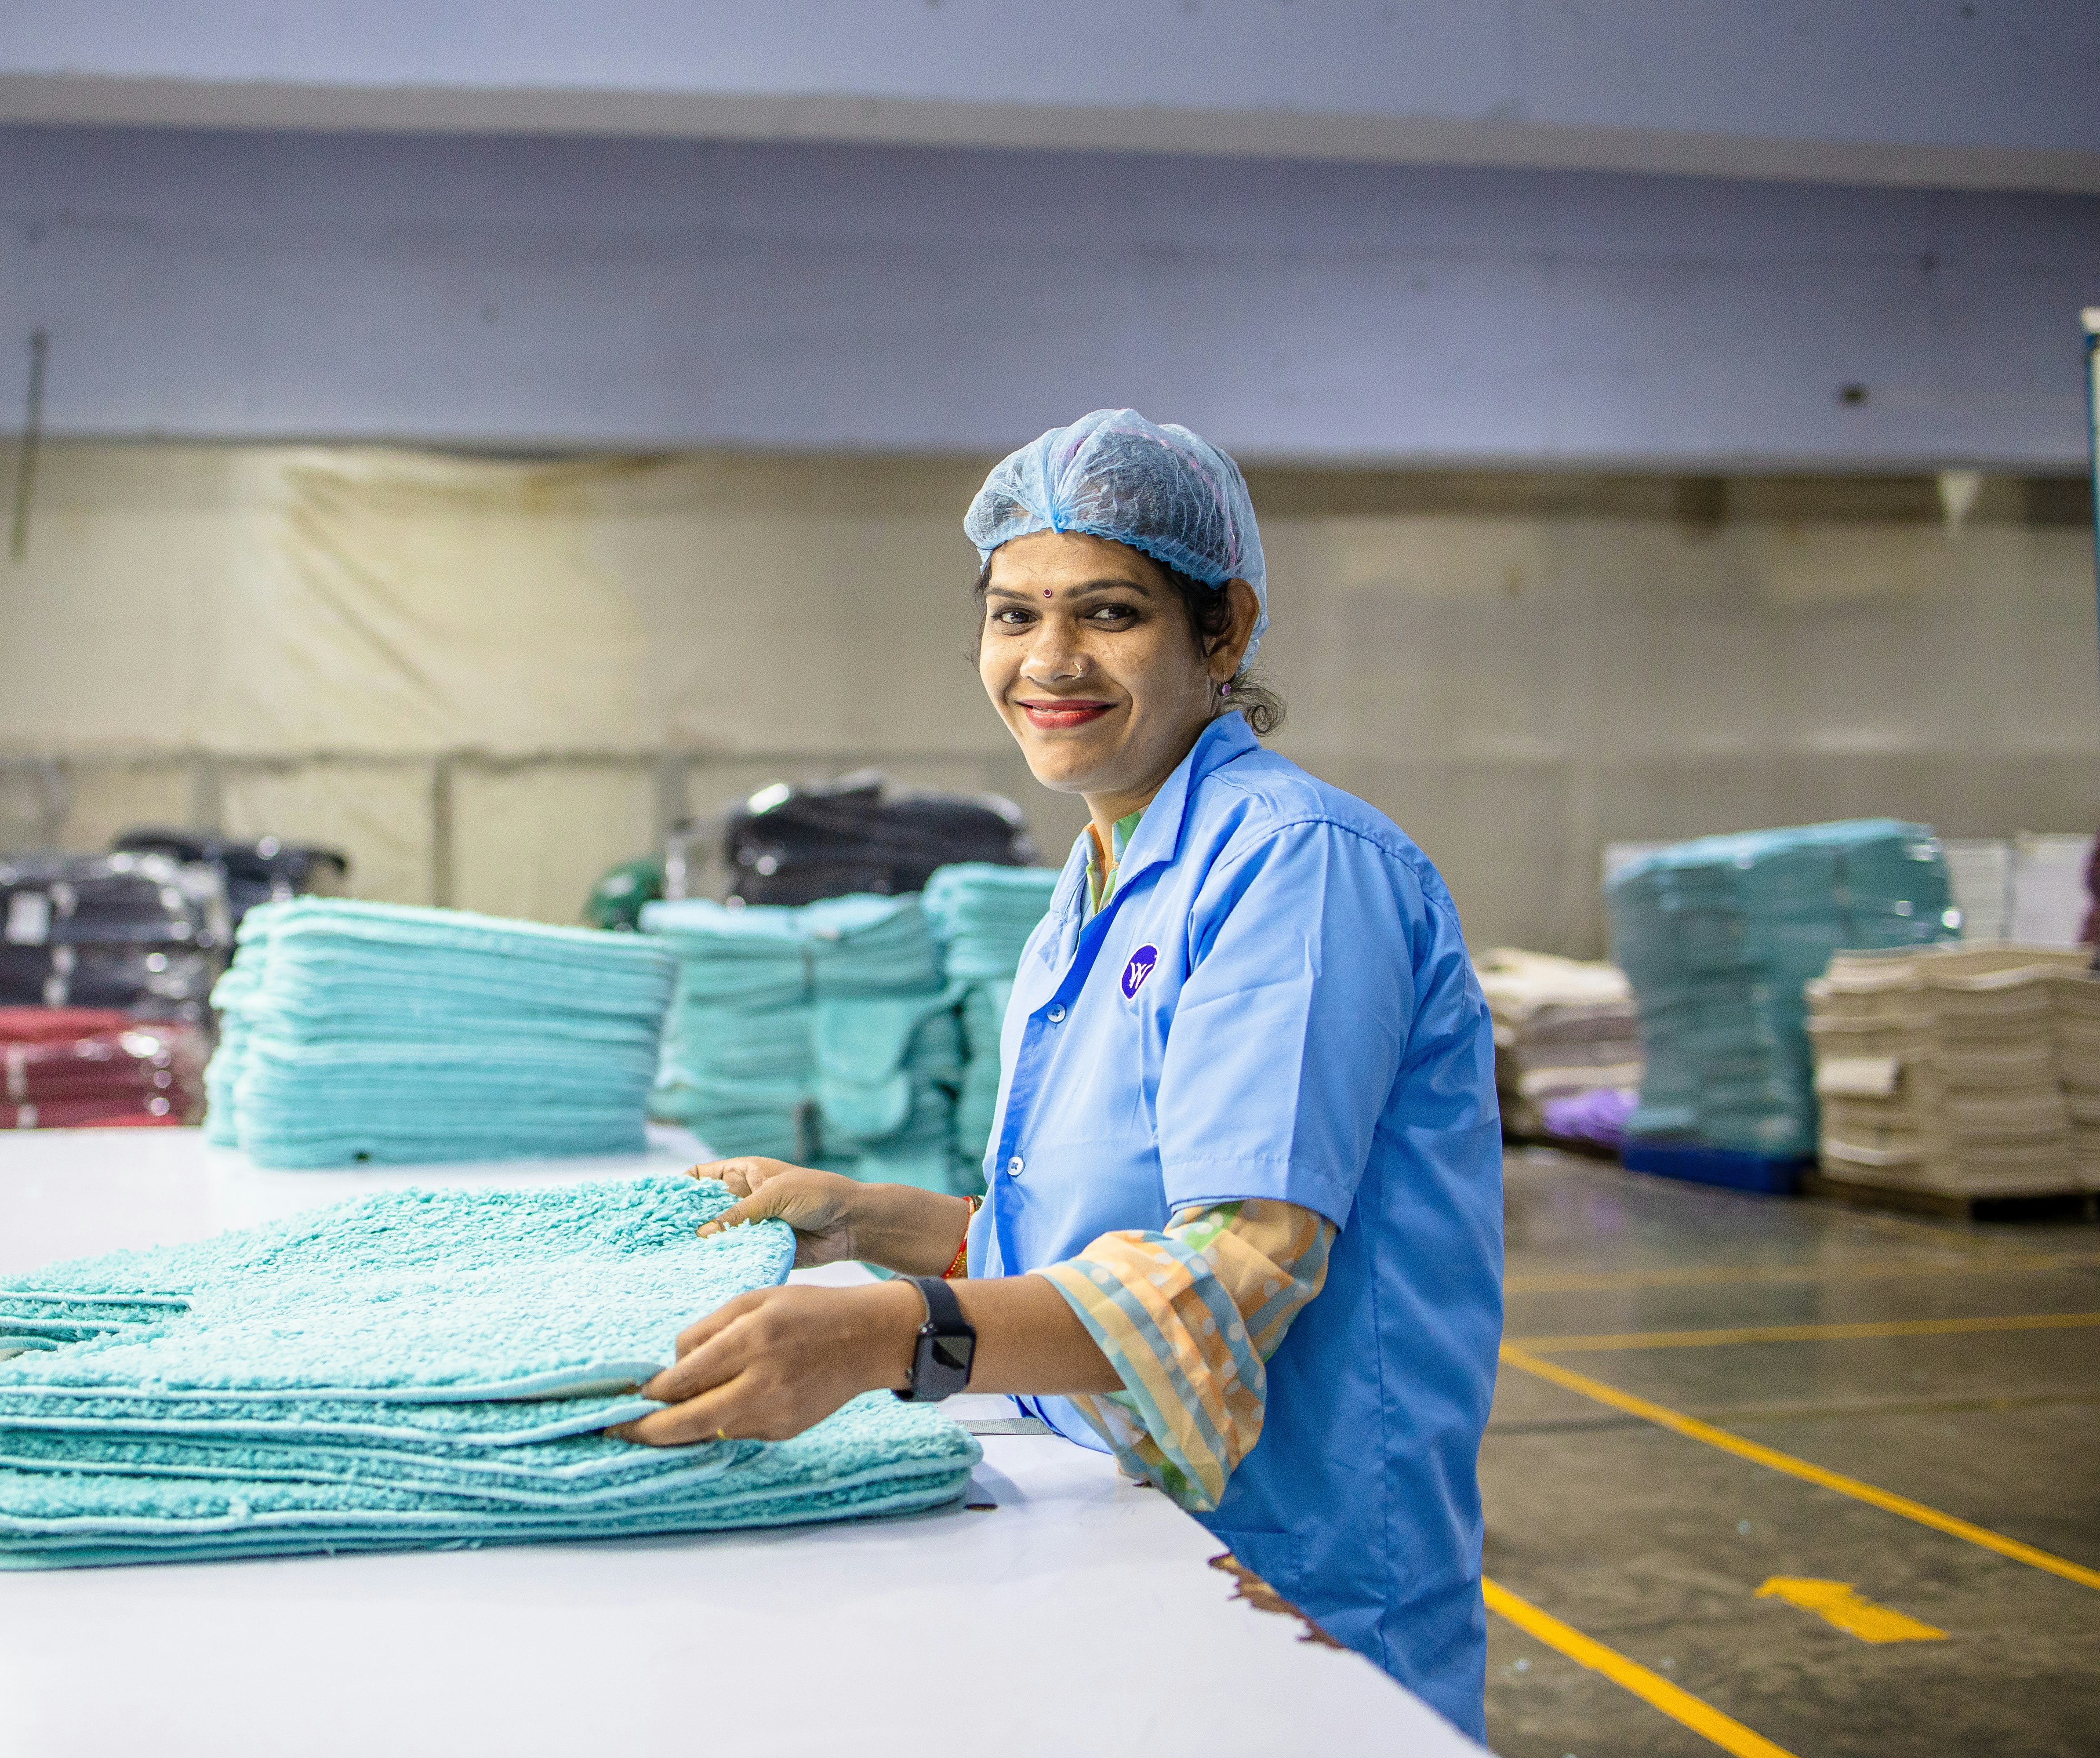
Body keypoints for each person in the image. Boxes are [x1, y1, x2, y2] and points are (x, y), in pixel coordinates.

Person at [616, 409, 1504, 1739]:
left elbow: (1231, 1273)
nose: (1050, 661)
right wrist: (860, 1219)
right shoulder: (1097, 884)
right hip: (1128, 1532)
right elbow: (1097, 1238)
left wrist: (891, 1335)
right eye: (1013, 615)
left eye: (1108, 612)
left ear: (1226, 630)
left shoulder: (1296, 867)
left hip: (1295, 1584)